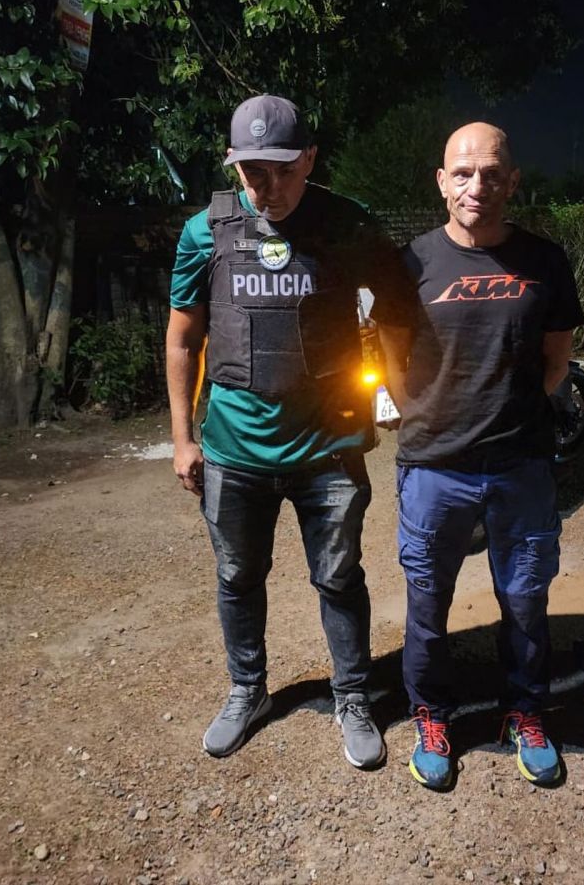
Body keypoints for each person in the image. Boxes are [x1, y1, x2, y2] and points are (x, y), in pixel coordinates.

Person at [166, 94, 416, 769]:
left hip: (327, 451)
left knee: (338, 577)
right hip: (233, 451)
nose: (267, 186)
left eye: (282, 169)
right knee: (237, 575)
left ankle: (353, 696)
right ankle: (247, 690)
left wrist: (408, 403)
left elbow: (399, 311)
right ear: (233, 164)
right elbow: (183, 339)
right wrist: (183, 439)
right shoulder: (205, 233)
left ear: (309, 159)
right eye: (251, 171)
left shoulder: (348, 225)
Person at [375, 122, 584, 790]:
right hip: (433, 468)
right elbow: (389, 355)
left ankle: (525, 712)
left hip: (521, 466)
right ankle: (432, 715)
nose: (477, 186)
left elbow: (557, 360)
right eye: (462, 173)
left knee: (525, 602)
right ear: (442, 182)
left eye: (491, 172)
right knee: (427, 605)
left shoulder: (545, 262)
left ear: (512, 181)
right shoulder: (410, 264)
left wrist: (507, 413)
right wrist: (427, 415)